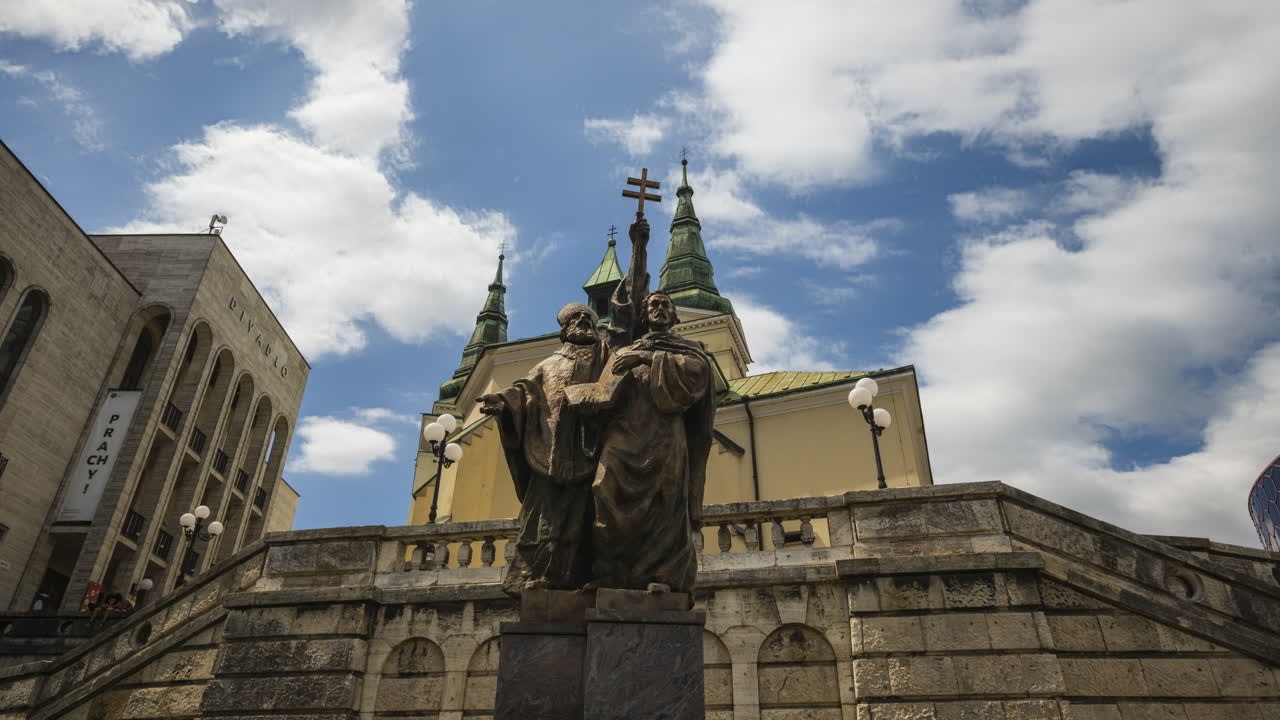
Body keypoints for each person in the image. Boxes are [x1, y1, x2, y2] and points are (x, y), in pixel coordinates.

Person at [566, 290, 716, 594]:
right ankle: (611, 573)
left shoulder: (688, 349)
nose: (659, 309)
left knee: (666, 505)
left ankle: (664, 577)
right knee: (603, 489)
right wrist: (586, 401)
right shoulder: (624, 351)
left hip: (664, 434)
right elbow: (605, 390)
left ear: (674, 316)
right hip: (624, 433)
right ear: (644, 315)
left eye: (665, 305)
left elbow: (698, 375)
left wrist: (648, 357)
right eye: (652, 305)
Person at [479, 302, 611, 596]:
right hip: (549, 450)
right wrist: (502, 402)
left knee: (587, 518)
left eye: (587, 318)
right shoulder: (547, 365)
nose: (582, 321)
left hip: (592, 449)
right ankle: (536, 574)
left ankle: (586, 575)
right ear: (564, 330)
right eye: (574, 319)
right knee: (540, 519)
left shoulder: (606, 358)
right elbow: (524, 392)